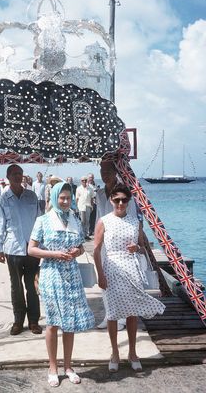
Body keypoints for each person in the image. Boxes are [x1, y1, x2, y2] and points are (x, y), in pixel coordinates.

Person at [93, 183, 165, 373]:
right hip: (111, 269)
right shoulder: (104, 221)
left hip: (132, 269)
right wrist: (100, 274)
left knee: (132, 312)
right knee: (112, 313)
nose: (120, 203)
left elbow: (143, 247)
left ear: (129, 201)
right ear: (111, 200)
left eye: (124, 200)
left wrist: (137, 248)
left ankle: (133, 352)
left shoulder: (135, 221)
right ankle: (115, 352)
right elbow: (96, 249)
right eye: (117, 200)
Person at [28, 182, 95, 387]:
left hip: (72, 275)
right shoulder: (43, 220)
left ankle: (68, 366)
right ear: (55, 197)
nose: (65, 201)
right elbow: (31, 249)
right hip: (51, 274)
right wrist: (54, 254)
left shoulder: (74, 218)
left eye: (68, 197)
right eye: (62, 197)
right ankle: (52, 367)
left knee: (70, 322)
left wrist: (78, 252)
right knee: (53, 322)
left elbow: (81, 246)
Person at [0, 164, 41, 336]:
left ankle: (34, 321)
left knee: (32, 285)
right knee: (16, 287)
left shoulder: (32, 196)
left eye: (20, 174)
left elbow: (39, 220)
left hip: (31, 248)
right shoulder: (3, 199)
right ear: (7, 177)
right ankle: (18, 321)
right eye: (14, 174)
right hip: (12, 248)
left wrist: (41, 244)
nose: (17, 176)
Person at [96, 160, 141, 331]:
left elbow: (133, 217)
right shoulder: (99, 193)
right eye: (102, 170)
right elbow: (99, 216)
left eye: (108, 170)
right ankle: (109, 315)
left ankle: (122, 317)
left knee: (123, 280)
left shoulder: (124, 191)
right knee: (105, 280)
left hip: (121, 239)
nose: (104, 174)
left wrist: (134, 242)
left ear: (115, 172)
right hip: (104, 237)